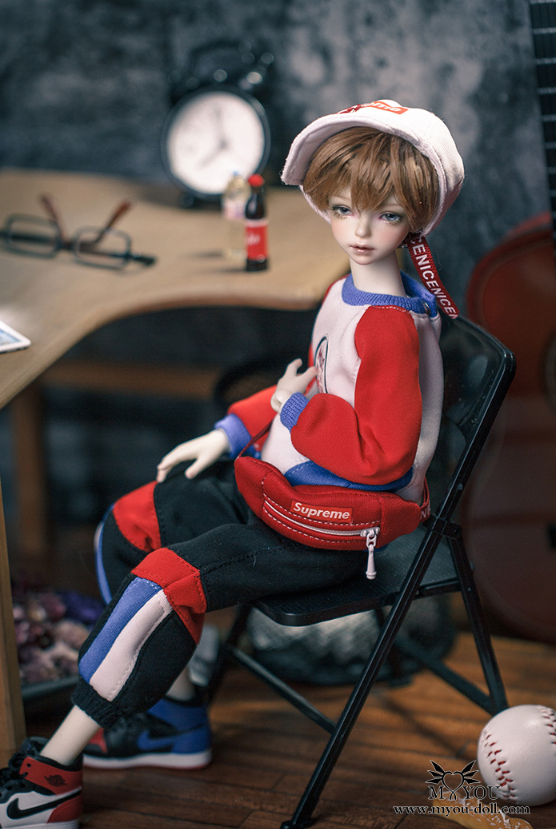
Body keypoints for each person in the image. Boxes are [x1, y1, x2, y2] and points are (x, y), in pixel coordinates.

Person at [0, 99, 463, 828]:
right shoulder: (350, 292)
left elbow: (381, 457)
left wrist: (289, 412)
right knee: (130, 520)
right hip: (276, 496)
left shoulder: (389, 327)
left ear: (418, 219)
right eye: (344, 208)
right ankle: (173, 719)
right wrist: (234, 428)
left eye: (387, 215)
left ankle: (54, 772)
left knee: (164, 583)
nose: (360, 231)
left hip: (324, 532)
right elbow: (308, 382)